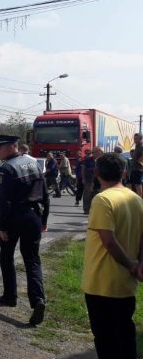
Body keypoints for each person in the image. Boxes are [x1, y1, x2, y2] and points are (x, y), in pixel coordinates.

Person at [82, 153, 143, 359]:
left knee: (106, 340)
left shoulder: (102, 200)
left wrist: (130, 264)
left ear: (97, 173)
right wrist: (137, 264)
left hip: (102, 282)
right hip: (126, 284)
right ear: (123, 173)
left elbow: (108, 241)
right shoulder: (135, 199)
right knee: (125, 337)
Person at [0, 135, 48, 326]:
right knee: (32, 260)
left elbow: (4, 201)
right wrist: (44, 220)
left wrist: (2, 226)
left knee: (6, 256)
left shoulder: (6, 168)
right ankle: (38, 300)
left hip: (15, 217)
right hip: (34, 217)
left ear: (12, 147)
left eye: (0, 148)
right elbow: (45, 194)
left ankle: (10, 296)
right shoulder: (34, 164)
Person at [81, 147, 103, 215]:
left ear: (99, 152)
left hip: (100, 180)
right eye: (92, 152)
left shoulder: (102, 160)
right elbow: (83, 169)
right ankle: (86, 209)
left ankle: (96, 209)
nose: (93, 154)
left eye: (94, 152)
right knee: (87, 194)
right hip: (89, 179)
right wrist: (83, 178)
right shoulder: (88, 160)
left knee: (97, 195)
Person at [131, 133, 143, 198]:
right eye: (134, 138)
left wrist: (140, 161)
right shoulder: (137, 146)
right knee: (134, 185)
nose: (134, 140)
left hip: (138, 169)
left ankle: (140, 200)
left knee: (138, 185)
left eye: (136, 139)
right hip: (134, 169)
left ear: (141, 139)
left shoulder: (141, 146)